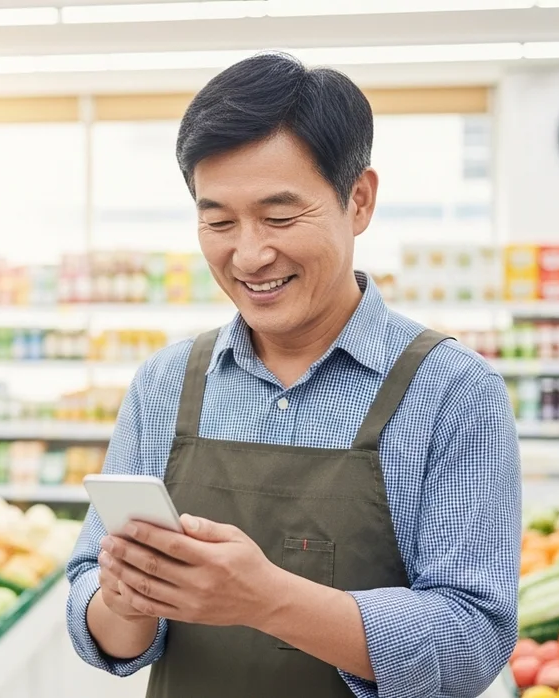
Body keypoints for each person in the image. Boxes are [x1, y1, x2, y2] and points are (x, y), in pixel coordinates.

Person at [65, 51, 520, 698]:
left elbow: (471, 645)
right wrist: (128, 600)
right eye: (218, 220)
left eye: (279, 216)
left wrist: (267, 598)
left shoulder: (451, 393)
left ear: (358, 201)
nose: (248, 254)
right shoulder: (164, 384)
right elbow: (104, 627)